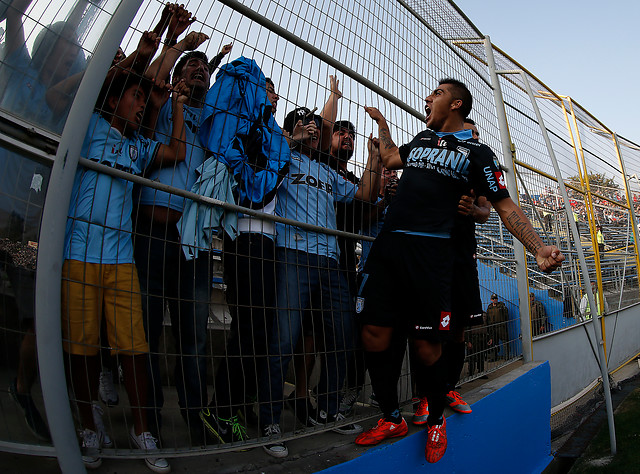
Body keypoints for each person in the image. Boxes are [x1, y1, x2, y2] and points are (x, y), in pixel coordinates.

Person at [356, 78, 563, 463]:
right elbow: (388, 158)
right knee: (374, 332)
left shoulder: (477, 153)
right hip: (389, 249)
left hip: (433, 256)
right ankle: (390, 417)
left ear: (456, 104)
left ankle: (435, 417)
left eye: (436, 94)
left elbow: (502, 205)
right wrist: (383, 124)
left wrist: (537, 247)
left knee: (426, 342)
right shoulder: (418, 140)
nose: (427, 98)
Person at [61, 30, 188, 469]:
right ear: (114, 101)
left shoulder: (138, 147)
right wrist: (145, 54)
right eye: (134, 97)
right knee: (81, 347)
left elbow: (175, 149)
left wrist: (174, 106)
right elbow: (93, 90)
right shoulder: (90, 126)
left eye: (141, 99)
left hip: (120, 261)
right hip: (78, 254)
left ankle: (141, 429)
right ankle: (87, 422)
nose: (139, 103)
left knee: (134, 348)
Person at [258, 101, 379, 458]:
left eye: (314, 125)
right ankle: (270, 421)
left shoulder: (327, 173)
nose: (311, 128)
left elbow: (364, 194)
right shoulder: (282, 157)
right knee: (283, 339)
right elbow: (268, 146)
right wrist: (291, 138)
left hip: (329, 261)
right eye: (304, 124)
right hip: (291, 254)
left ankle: (328, 409)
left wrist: (373, 159)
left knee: (342, 337)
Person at [134, 12, 231, 444]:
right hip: (151, 233)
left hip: (192, 242)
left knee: (192, 337)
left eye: (204, 69)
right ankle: (149, 418)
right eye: (191, 66)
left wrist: (223, 65)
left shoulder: (211, 119)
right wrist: (176, 45)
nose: (199, 71)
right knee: (149, 330)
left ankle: (196, 420)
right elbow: (155, 77)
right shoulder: (158, 107)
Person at [198, 76, 284, 445]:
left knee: (259, 332)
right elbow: (249, 180)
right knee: (249, 329)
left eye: (274, 91)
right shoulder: (244, 127)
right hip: (244, 236)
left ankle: (233, 405)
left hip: (268, 242)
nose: (270, 95)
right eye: (264, 88)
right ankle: (219, 409)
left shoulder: (272, 133)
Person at [411, 116, 492, 425]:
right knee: (425, 328)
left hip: (461, 253)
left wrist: (475, 210)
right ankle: (422, 397)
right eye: (468, 133)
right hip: (430, 252)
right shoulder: (433, 158)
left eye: (476, 134)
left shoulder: (479, 165)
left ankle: (448, 389)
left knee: (459, 326)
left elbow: (486, 209)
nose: (473, 138)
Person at [486, 293, 510, 360]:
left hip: (501, 326)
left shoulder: (501, 306)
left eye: (496, 298)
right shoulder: (489, 307)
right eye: (493, 299)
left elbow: (506, 315)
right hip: (493, 327)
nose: (495, 300)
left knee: (505, 341)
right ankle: (494, 357)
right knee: (494, 343)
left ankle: (507, 357)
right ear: (491, 299)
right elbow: (488, 318)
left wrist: (504, 323)